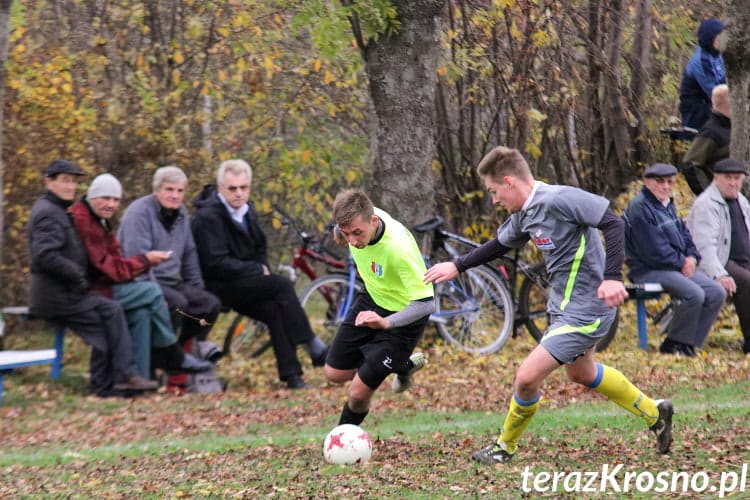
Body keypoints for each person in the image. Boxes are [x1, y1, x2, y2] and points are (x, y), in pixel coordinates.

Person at [424, 146, 673, 464]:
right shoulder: (525, 213)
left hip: (588, 309)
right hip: (563, 308)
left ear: (509, 181)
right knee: (582, 373)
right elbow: (500, 244)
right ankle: (656, 413)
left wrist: (611, 277)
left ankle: (504, 447)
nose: (495, 200)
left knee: (527, 377)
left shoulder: (559, 199)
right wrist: (457, 266)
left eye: (494, 191)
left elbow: (613, 224)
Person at [190, 159, 328, 389]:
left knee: (275, 310)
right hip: (217, 287)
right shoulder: (208, 217)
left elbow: (259, 247)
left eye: (244, 188)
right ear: (221, 188)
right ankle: (312, 344)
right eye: (232, 188)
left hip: (244, 283)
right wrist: (256, 270)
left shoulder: (247, 210)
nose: (239, 194)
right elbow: (214, 262)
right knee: (281, 285)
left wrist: (260, 268)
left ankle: (292, 376)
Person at [27, 160, 158, 397]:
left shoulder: (58, 209)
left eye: (74, 181)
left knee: (110, 316)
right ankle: (123, 378)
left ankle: (110, 385)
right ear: (49, 181)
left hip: (67, 292)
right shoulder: (47, 212)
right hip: (56, 295)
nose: (70, 187)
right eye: (65, 180)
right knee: (111, 316)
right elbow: (44, 255)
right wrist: (77, 275)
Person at [69, 173, 213, 379]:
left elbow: (189, 253)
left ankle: (141, 378)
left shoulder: (100, 220)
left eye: (115, 199)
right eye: (105, 198)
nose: (111, 204)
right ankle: (171, 355)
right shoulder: (89, 221)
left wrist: (197, 287)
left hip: (111, 284)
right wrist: (146, 260)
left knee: (201, 304)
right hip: (93, 291)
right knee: (157, 295)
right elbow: (109, 267)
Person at [324, 189, 434, 427]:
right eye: (346, 233)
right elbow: (348, 228)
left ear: (373, 221)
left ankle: (343, 439)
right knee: (334, 374)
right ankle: (402, 364)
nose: (352, 241)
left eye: (357, 233)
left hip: (403, 318)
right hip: (372, 300)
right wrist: (339, 232)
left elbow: (427, 303)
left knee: (357, 392)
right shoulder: (358, 221)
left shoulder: (399, 250)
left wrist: (387, 323)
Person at [624, 163, 726, 356]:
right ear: (647, 182)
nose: (665, 186)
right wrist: (682, 263)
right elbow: (653, 251)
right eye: (660, 181)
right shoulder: (640, 208)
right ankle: (673, 344)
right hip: (647, 270)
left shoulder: (667, 204)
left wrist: (692, 258)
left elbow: (686, 236)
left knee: (716, 292)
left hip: (674, 267)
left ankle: (689, 344)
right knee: (694, 294)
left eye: (670, 182)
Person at [117, 166, 221, 346]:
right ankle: (159, 357)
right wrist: (156, 294)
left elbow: (189, 254)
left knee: (209, 304)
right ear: (157, 190)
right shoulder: (139, 212)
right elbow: (137, 261)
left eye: (180, 191)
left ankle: (179, 352)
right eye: (169, 189)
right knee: (178, 304)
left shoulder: (181, 214)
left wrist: (198, 288)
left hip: (173, 283)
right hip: (142, 283)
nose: (175, 195)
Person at [688, 158, 750, 355]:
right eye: (728, 178)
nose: (733, 183)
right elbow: (704, 247)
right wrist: (719, 274)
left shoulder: (741, 200)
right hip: (719, 262)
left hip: (743, 260)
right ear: (716, 178)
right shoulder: (706, 204)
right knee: (747, 282)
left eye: (737, 178)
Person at [682, 84, 731, 195]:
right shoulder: (711, 131)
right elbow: (690, 164)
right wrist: (709, 195)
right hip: (722, 199)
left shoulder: (733, 128)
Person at [678, 18, 726, 131]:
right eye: (719, 38)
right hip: (696, 112)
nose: (723, 41)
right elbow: (716, 94)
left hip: (710, 106)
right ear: (710, 38)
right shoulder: (701, 61)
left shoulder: (718, 54)